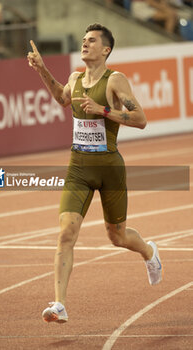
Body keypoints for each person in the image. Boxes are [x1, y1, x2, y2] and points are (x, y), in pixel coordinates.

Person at [27, 23, 162, 324]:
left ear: (106, 49)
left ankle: (149, 251)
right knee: (65, 234)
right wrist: (42, 69)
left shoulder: (116, 81)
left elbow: (140, 119)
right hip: (78, 169)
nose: (85, 44)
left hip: (109, 170)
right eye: (84, 39)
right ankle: (59, 304)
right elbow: (63, 99)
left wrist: (103, 110)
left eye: (92, 41)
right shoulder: (75, 78)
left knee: (117, 236)